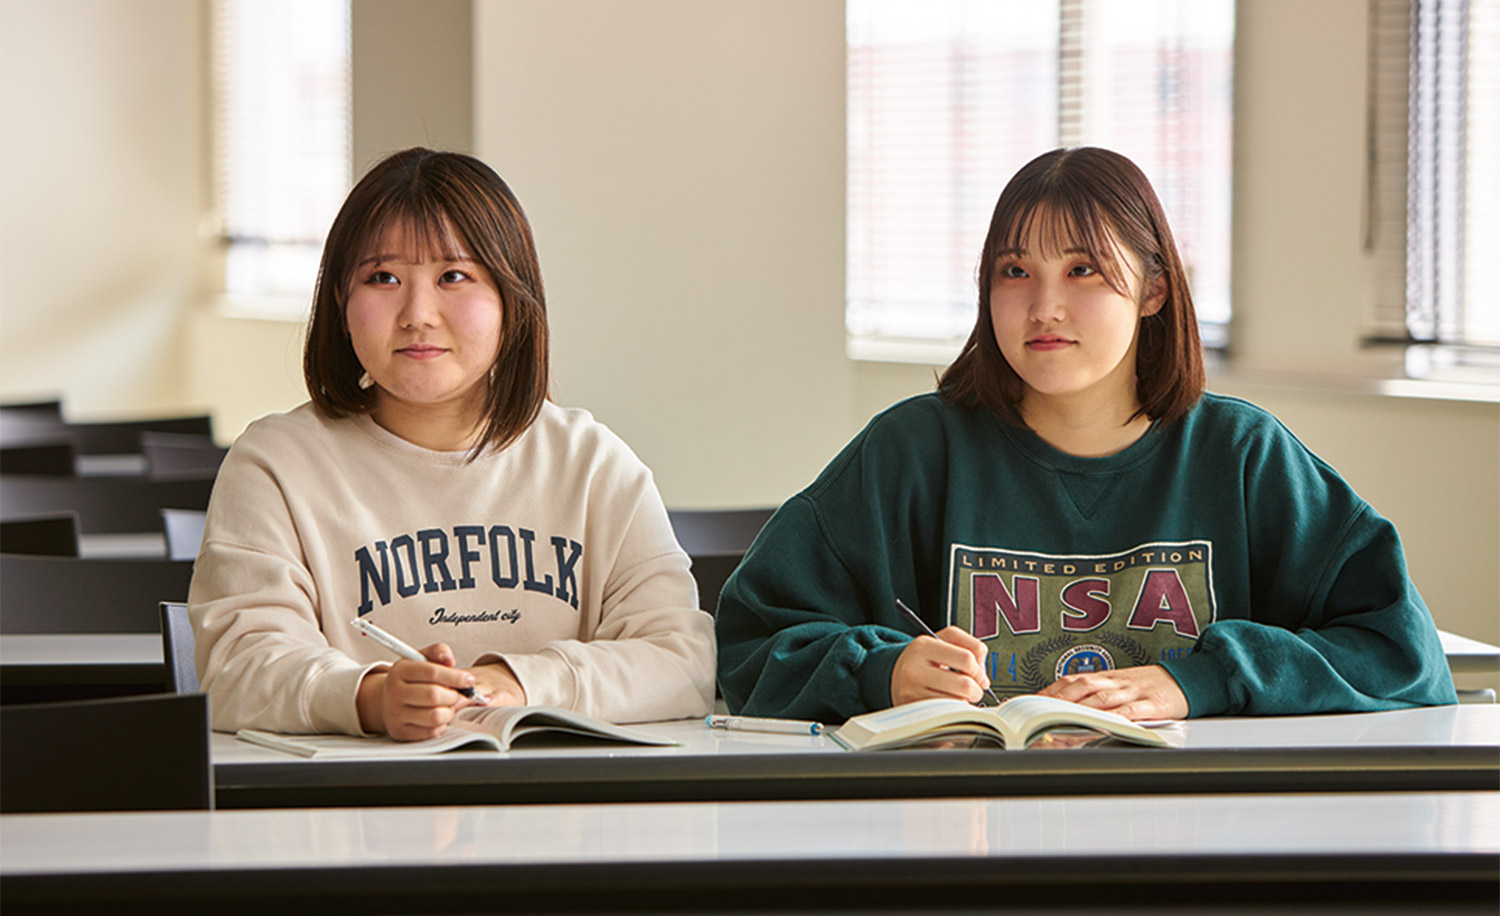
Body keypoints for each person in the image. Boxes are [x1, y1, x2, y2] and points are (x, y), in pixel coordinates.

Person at [716, 147, 1456, 723]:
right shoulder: (911, 454)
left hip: (1199, 835)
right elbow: (749, 640)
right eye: (1015, 270)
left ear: (1154, 290)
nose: (1044, 306)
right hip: (955, 833)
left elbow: (1402, 653)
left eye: (1082, 270)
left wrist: (1199, 682)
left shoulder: (1241, 457)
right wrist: (880, 671)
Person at [190, 148, 715, 739]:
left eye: (454, 277)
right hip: (352, 814)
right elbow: (236, 668)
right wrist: (369, 696)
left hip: (564, 814)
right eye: (382, 278)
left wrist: (514, 683)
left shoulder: (593, 466)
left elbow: (681, 661)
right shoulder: (275, 467)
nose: (418, 313)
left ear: (511, 301)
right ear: (340, 298)